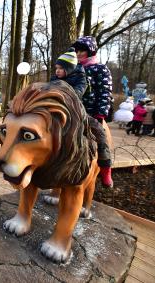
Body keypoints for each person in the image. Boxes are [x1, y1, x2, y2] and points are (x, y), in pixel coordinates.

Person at [72, 36, 114, 188]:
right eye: (76, 50)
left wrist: (101, 113)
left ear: (90, 51)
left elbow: (105, 92)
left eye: (82, 50)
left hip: (90, 112)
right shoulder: (73, 68)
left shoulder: (100, 68)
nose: (78, 53)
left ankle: (105, 168)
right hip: (72, 110)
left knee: (101, 137)